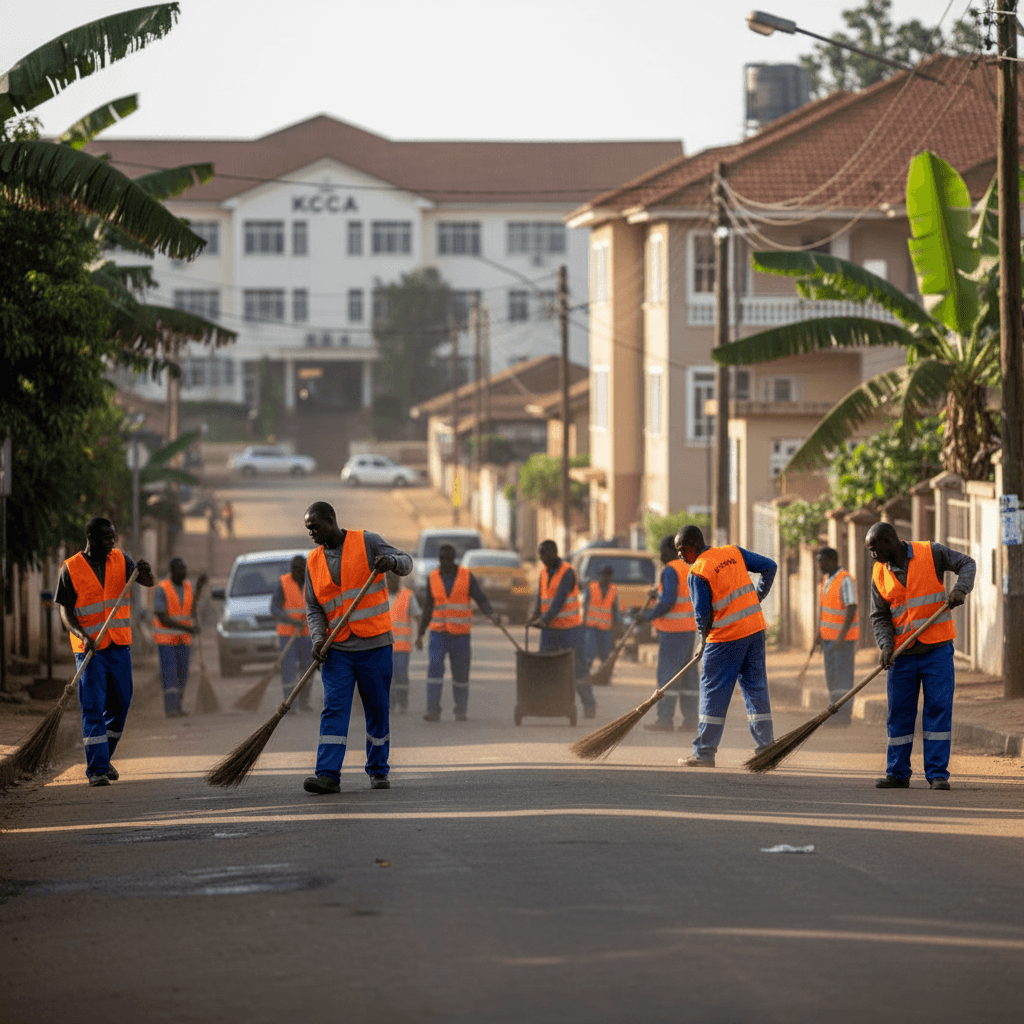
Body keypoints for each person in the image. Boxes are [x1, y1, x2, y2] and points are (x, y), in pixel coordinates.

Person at [301, 501, 412, 795]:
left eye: (315, 526)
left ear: (331, 520)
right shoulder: (312, 561)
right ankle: (327, 775)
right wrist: (317, 639)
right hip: (337, 650)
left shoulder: (368, 542)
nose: (311, 533)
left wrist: (390, 563)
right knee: (333, 708)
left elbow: (406, 562)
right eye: (308, 529)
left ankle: (378, 770)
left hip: (375, 645)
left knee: (377, 708)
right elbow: (314, 608)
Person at [865, 522, 975, 790]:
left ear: (890, 541)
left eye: (875, 549)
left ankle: (937, 773)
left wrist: (960, 589)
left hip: (936, 649)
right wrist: (886, 646)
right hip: (902, 655)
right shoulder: (879, 573)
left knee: (938, 710)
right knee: (899, 714)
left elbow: (967, 563)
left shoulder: (931, 552)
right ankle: (898, 773)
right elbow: (879, 615)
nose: (873, 556)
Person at [54, 517, 154, 786]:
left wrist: (144, 571)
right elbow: (65, 611)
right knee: (93, 707)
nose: (112, 543)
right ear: (91, 539)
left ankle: (103, 755)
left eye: (113, 538)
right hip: (91, 651)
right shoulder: (71, 568)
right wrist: (82, 635)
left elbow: (147, 581)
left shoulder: (121, 560)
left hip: (119, 645)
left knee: (121, 704)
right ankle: (97, 769)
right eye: (107, 539)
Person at [675, 525, 777, 767]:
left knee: (713, 692)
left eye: (680, 550)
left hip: (724, 639)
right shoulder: (732, 552)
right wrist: (757, 597)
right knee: (756, 689)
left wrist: (702, 641)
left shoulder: (698, 572)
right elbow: (769, 566)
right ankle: (766, 749)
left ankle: (704, 753)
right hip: (754, 630)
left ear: (692, 546)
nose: (680, 556)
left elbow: (702, 615)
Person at [416, 543, 500, 721]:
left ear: (454, 559)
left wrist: (492, 614)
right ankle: (433, 710)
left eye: (448, 558)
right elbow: (428, 608)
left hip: (460, 635)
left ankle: (460, 709)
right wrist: (420, 633)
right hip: (439, 634)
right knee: (434, 671)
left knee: (461, 674)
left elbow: (481, 598)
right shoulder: (432, 577)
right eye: (442, 559)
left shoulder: (466, 576)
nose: (445, 562)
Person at [528, 539, 596, 718]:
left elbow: (559, 599)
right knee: (547, 666)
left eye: (544, 554)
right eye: (540, 554)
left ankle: (589, 704)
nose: (541, 558)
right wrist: (535, 616)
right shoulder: (543, 572)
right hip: (550, 630)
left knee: (578, 668)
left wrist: (544, 619)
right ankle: (550, 703)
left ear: (554, 553)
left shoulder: (567, 572)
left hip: (570, 629)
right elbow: (541, 597)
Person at [642, 535, 698, 733]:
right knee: (688, 676)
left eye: (662, 551)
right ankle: (691, 720)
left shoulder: (670, 570)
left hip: (673, 632)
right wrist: (656, 595)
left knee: (668, 675)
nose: (660, 555)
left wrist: (647, 616)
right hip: (689, 630)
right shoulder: (688, 567)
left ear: (671, 550)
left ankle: (664, 720)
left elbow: (668, 602)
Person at [152, 557, 204, 718]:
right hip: (166, 641)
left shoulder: (188, 586)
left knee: (183, 674)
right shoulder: (162, 588)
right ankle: (171, 708)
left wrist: (200, 587)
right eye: (180, 570)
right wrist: (188, 628)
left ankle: (178, 705)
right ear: (172, 571)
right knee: (170, 674)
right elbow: (162, 617)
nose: (183, 572)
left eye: (184, 569)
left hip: (183, 640)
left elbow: (191, 607)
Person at [816, 547, 859, 725]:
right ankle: (834, 711)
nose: (819, 565)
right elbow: (826, 610)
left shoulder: (845, 580)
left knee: (843, 678)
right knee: (832, 678)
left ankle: (843, 716)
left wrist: (841, 636)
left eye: (822, 561)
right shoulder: (826, 580)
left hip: (843, 641)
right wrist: (819, 634)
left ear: (832, 561)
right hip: (828, 639)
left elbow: (851, 607)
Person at [270, 554, 314, 712]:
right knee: (289, 669)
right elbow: (274, 608)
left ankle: (304, 701)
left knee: (308, 669)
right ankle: (290, 703)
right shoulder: (283, 582)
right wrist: (292, 621)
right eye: (294, 569)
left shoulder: (312, 583)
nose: (297, 572)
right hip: (288, 634)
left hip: (308, 635)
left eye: (300, 569)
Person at [388, 572, 421, 713]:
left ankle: (402, 704)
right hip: (383, 647)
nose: (391, 581)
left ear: (399, 579)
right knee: (386, 678)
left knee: (401, 677)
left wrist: (420, 636)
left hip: (401, 647)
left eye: (394, 577)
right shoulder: (379, 596)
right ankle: (389, 704)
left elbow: (418, 616)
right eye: (389, 578)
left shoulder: (407, 595)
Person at [582, 565, 619, 671]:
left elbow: (615, 609)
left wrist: (615, 626)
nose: (604, 577)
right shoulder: (591, 587)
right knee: (589, 652)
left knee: (605, 653)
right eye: (603, 575)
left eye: (607, 575)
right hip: (591, 626)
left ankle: (604, 674)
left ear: (610, 577)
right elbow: (585, 606)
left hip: (606, 628)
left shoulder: (613, 590)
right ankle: (586, 673)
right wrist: (583, 622)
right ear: (599, 575)